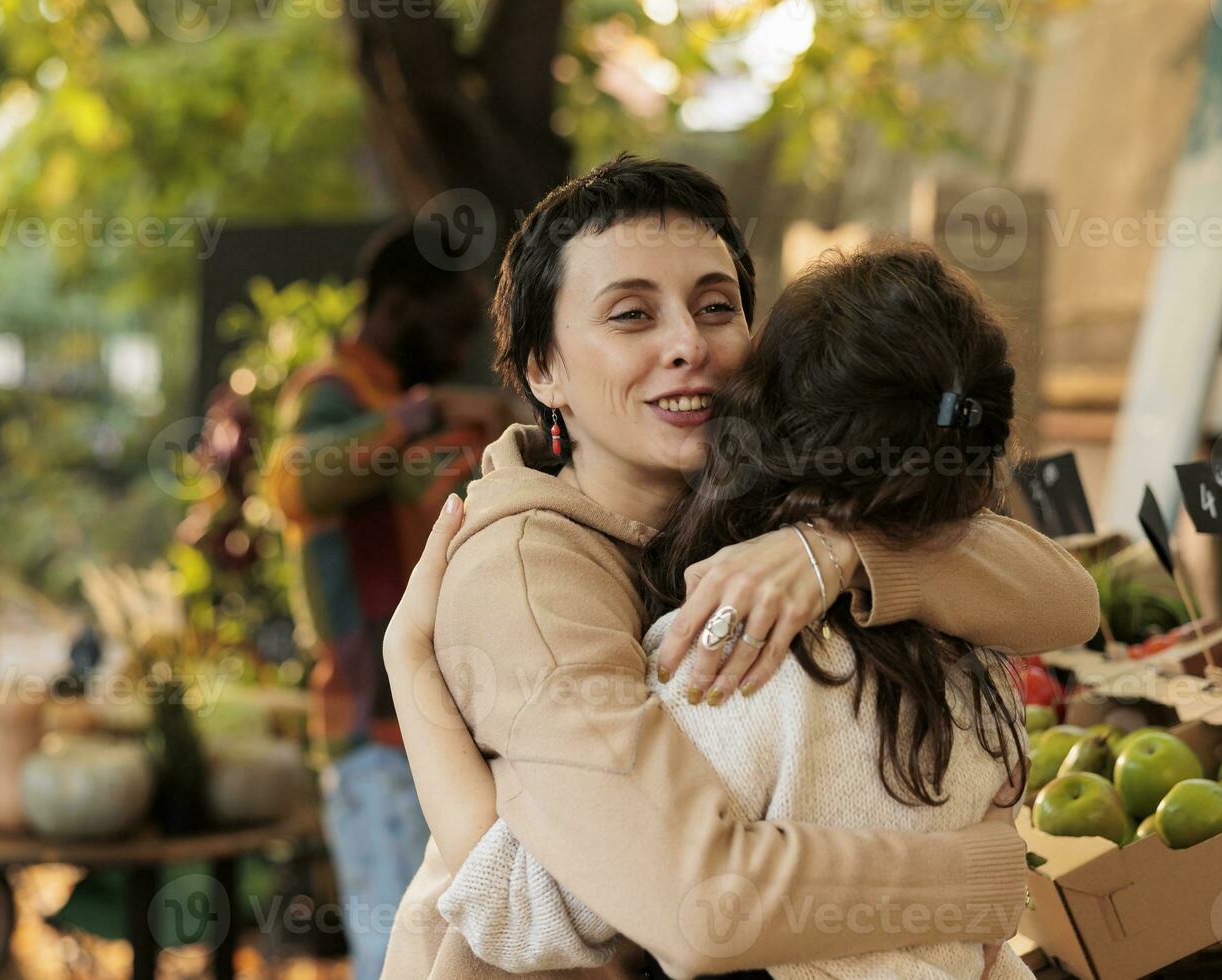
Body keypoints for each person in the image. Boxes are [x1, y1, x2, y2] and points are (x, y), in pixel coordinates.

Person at [378, 155, 1100, 978]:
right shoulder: (528, 574)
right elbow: (694, 906)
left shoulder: (764, 502)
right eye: (630, 316)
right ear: (543, 369)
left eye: (715, 306)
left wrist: (836, 553)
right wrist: (975, 879)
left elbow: (1067, 600)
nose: (687, 345)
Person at [264, 222, 523, 980]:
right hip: (374, 731)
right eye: (450, 327)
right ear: (400, 308)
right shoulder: (333, 393)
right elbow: (298, 479)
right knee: (396, 960)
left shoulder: (400, 403)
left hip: (440, 731)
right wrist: (428, 410)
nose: (458, 349)